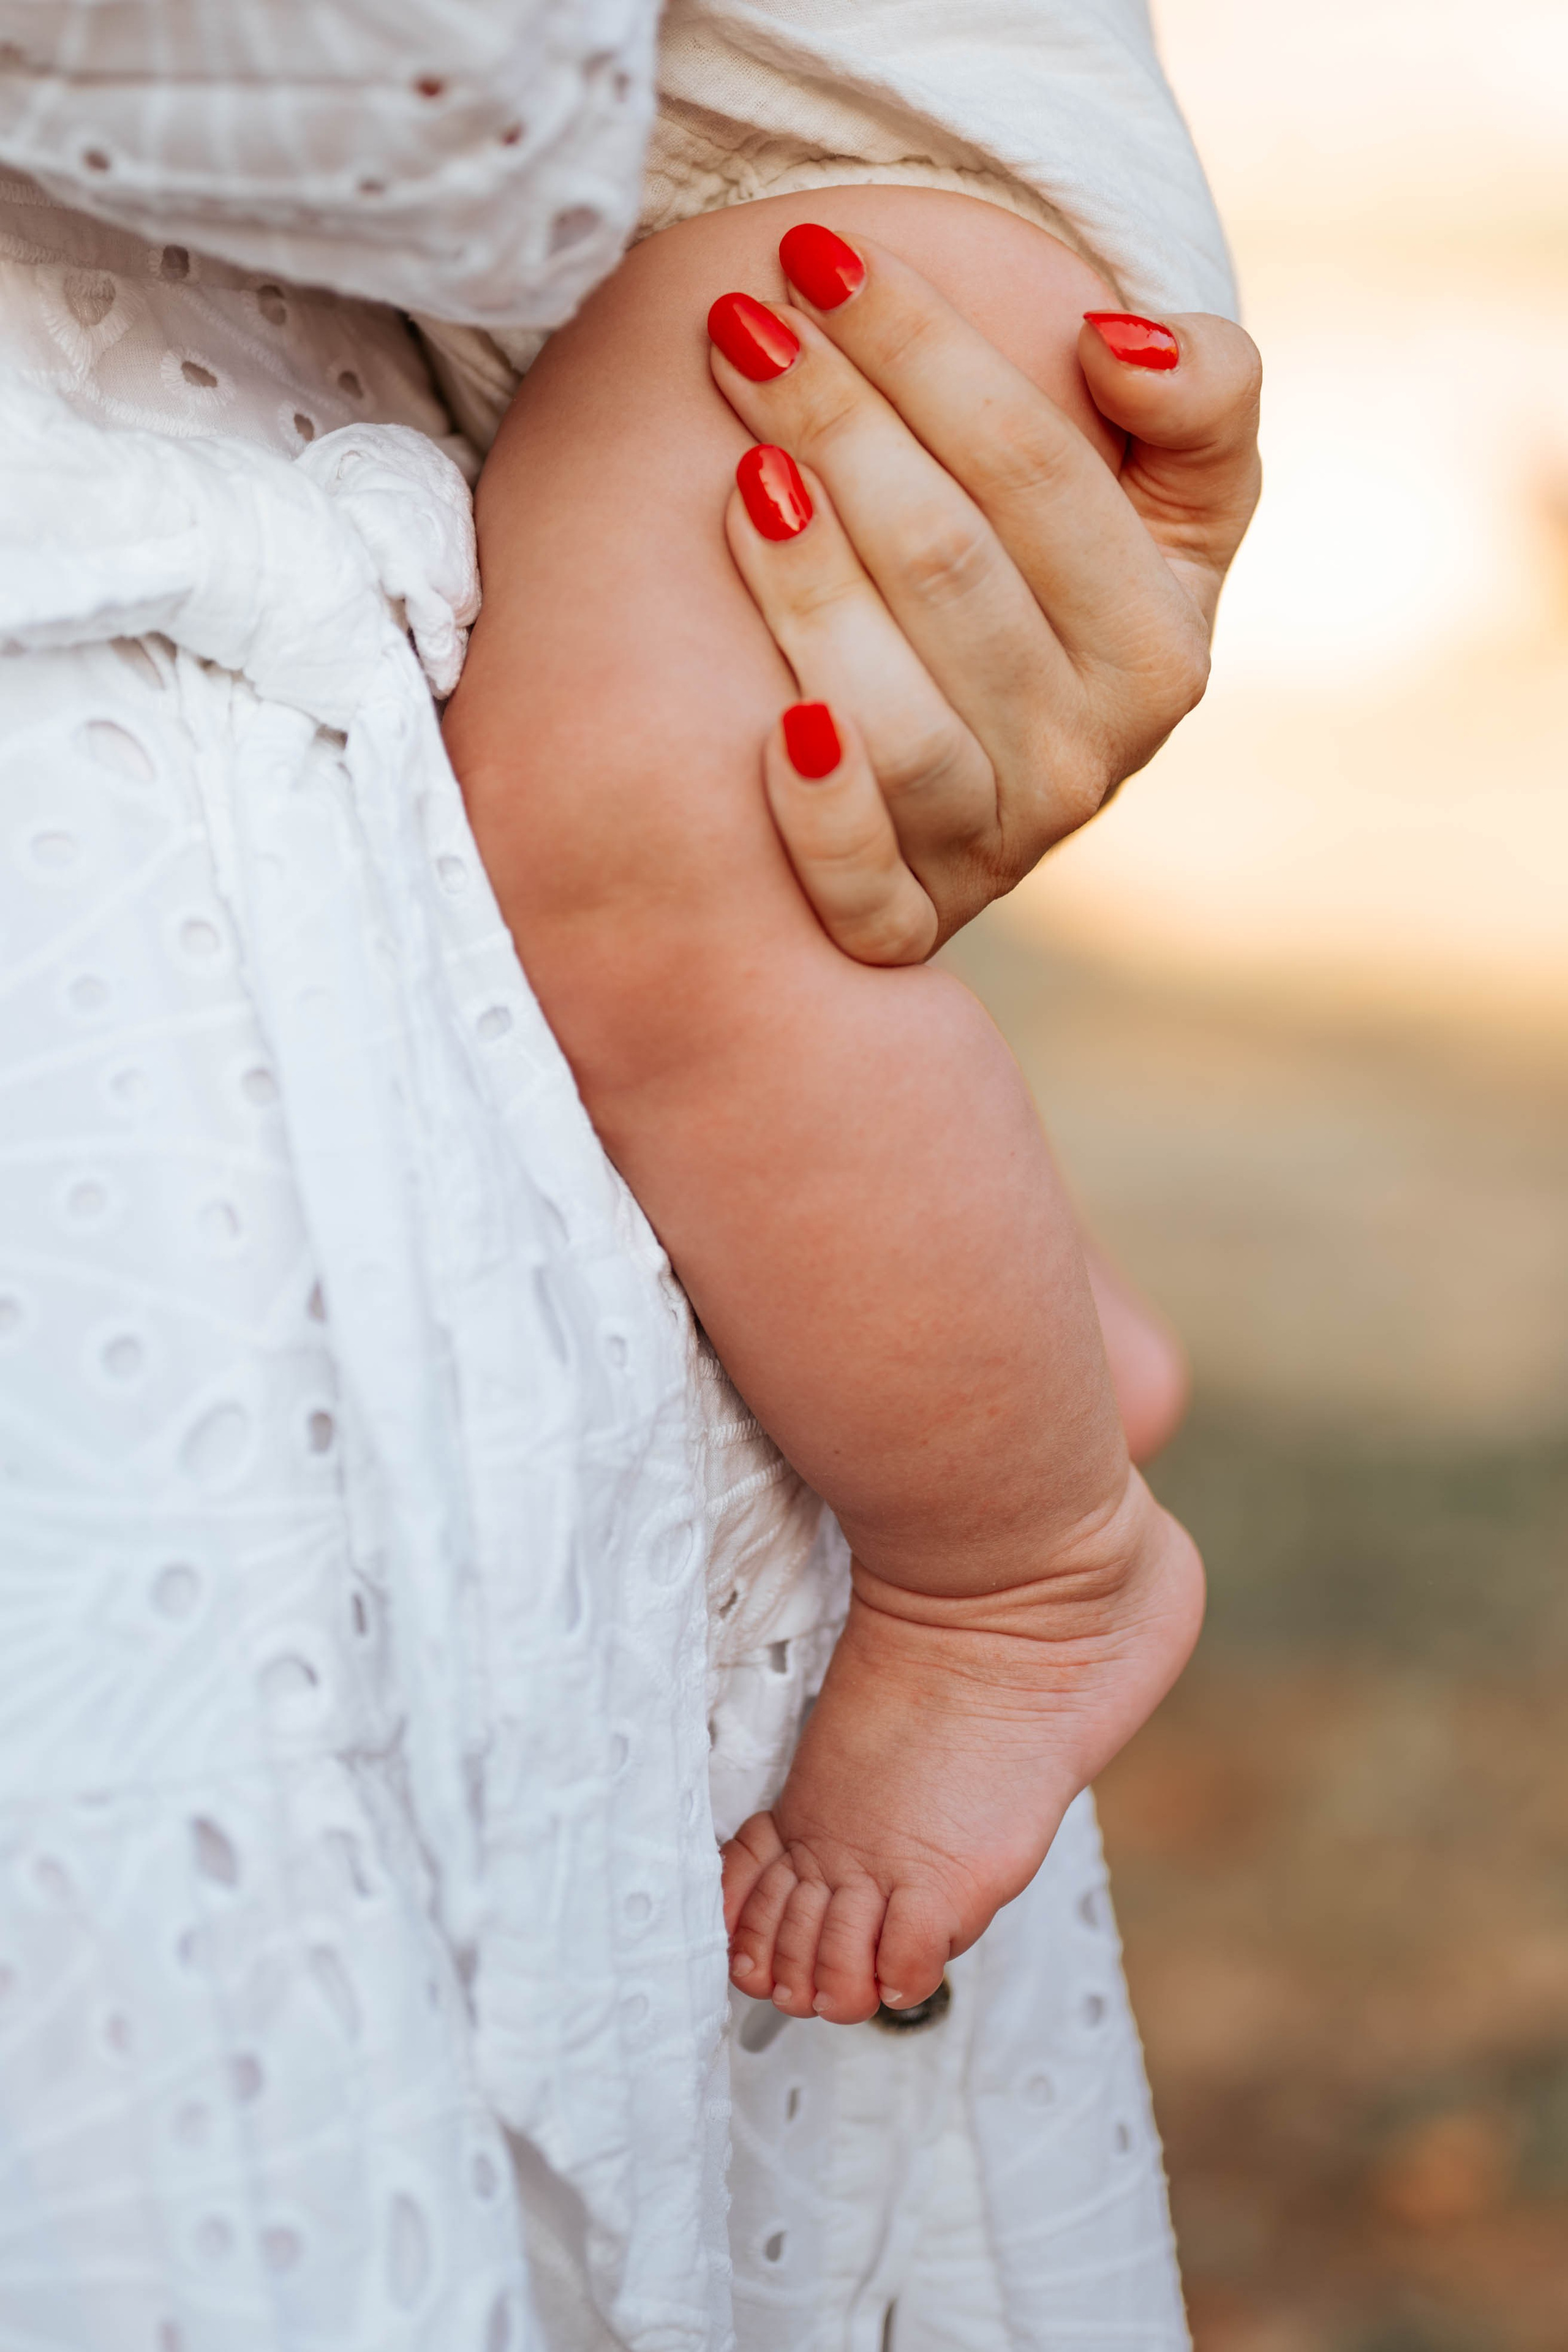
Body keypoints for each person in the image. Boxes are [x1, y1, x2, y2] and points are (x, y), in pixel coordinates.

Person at [0, 3, 1257, 2345]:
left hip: (798, 191)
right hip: (676, 216)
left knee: (622, 859)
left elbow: (432, 75)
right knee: (605, 895)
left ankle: (1023, 1570)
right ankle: (998, 1319)